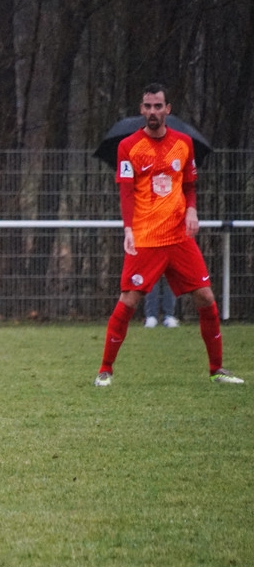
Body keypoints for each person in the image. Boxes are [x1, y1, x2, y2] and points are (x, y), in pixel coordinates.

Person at [94, 83, 242, 387]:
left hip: (178, 237)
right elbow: (126, 193)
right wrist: (128, 229)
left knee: (206, 296)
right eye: (147, 106)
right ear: (141, 109)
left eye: (158, 106)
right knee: (129, 300)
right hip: (146, 238)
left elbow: (189, 186)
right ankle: (105, 370)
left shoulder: (184, 144)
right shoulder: (128, 147)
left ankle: (217, 369)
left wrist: (192, 210)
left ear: (167, 109)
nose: (152, 111)